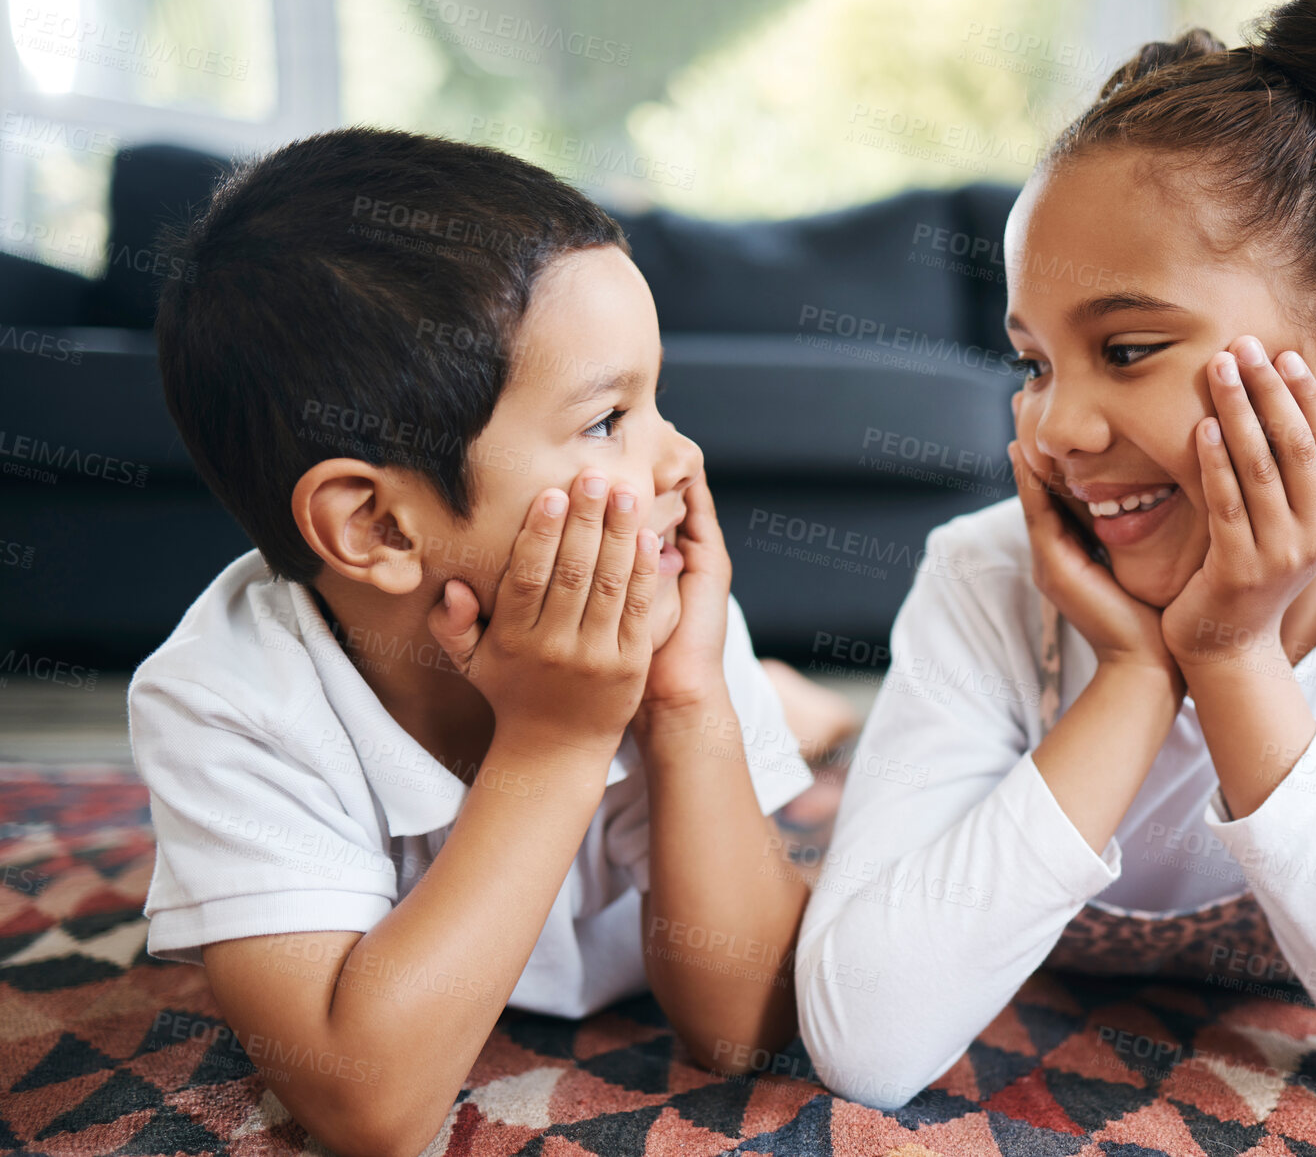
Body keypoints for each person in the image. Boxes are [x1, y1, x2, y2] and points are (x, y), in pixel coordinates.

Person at [795, 0, 1316, 1109]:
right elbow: (864, 1042)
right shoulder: (986, 573)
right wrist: (1129, 674)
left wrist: (1233, 656)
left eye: (1125, 347)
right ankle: (808, 715)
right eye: (1034, 364)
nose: (1056, 427)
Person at [129, 128, 814, 1157]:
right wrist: (555, 744)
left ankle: (798, 701)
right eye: (606, 420)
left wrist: (689, 703)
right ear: (378, 526)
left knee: (768, 710)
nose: (679, 458)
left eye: (658, 400)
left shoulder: (648, 601)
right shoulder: (222, 698)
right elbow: (372, 1110)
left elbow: (749, 1030)